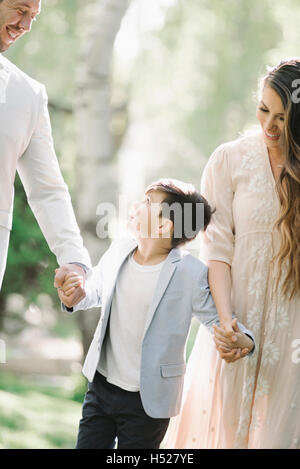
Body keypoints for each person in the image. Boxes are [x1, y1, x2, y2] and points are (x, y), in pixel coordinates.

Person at [57, 178, 255, 449]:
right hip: (101, 388)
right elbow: (94, 292)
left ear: (164, 225)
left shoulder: (190, 273)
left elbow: (217, 320)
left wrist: (244, 340)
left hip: (148, 404)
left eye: (148, 203)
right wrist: (76, 296)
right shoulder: (120, 249)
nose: (137, 205)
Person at [163, 58, 300, 449]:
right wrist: (227, 325)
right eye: (263, 109)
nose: (268, 126)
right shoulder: (229, 159)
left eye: (282, 118)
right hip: (232, 323)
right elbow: (217, 249)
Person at [0, 0, 90, 296]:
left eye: (33, 17)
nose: (25, 25)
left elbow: (48, 189)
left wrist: (74, 261)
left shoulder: (28, 96)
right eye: (20, 10)